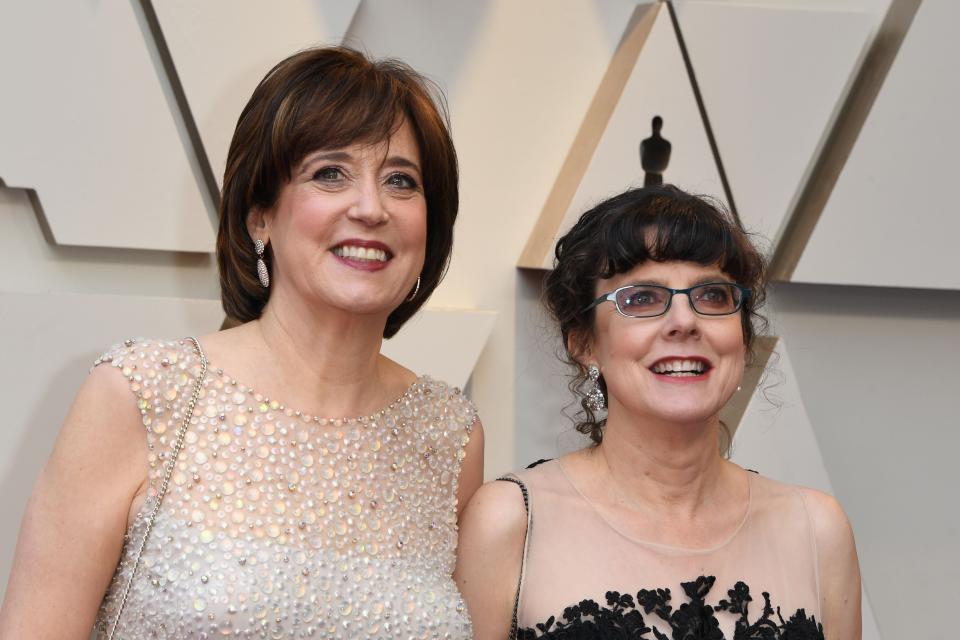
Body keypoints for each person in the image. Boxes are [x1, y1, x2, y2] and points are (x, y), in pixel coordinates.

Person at [0, 46, 483, 639]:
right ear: (260, 216)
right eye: (329, 173)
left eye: (401, 181)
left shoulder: (447, 432)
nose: (371, 207)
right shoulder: (145, 391)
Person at [456, 185, 860, 640]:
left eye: (712, 296)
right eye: (641, 298)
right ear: (584, 343)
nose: (685, 321)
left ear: (742, 338)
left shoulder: (816, 529)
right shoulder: (512, 522)